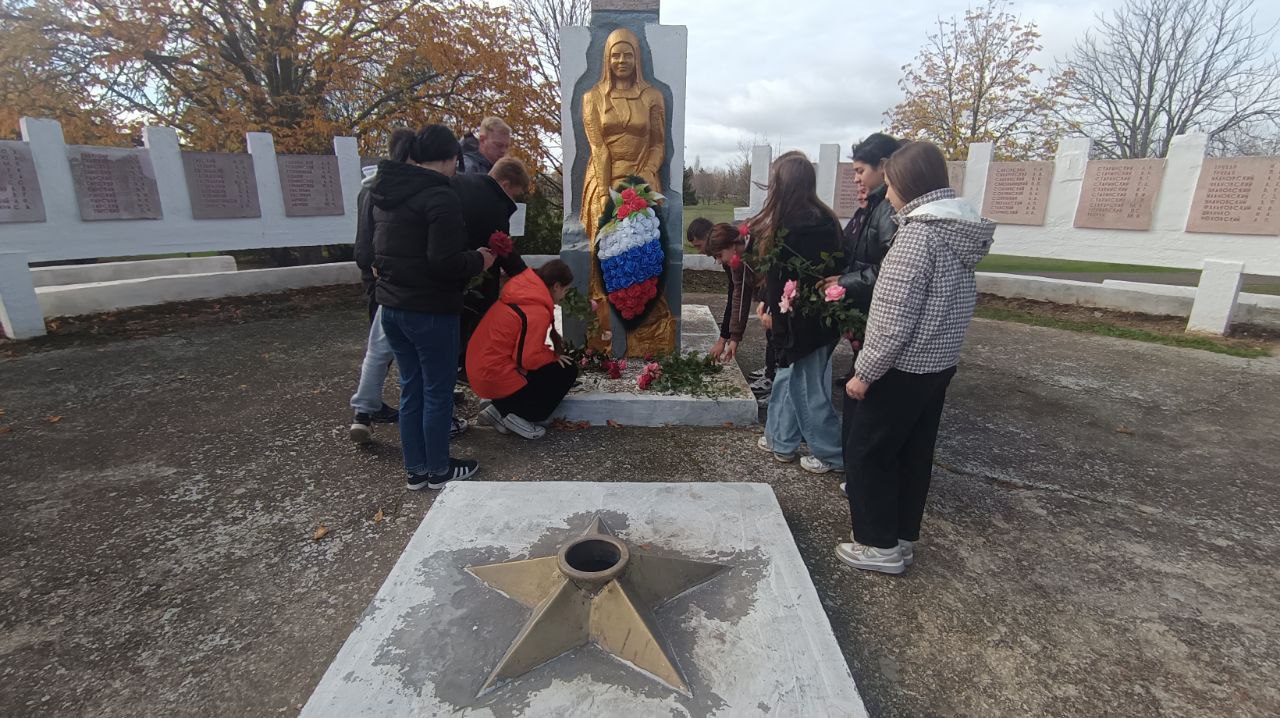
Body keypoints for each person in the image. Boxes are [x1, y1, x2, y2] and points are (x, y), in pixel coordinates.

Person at [837, 141, 994, 574]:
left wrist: (864, 374)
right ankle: (901, 537)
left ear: (906, 184)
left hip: (901, 368)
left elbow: (892, 319)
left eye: (889, 185)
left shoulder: (917, 236)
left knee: (868, 453)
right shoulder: (958, 233)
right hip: (938, 365)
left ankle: (877, 544)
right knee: (912, 454)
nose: (886, 195)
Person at [371, 124, 497, 490]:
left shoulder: (386, 190)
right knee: (437, 391)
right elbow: (444, 261)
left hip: (392, 308)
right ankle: (439, 468)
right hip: (429, 309)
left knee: (411, 388)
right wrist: (479, 260)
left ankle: (417, 470)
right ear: (451, 160)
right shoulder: (439, 196)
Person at [750, 151, 845, 475]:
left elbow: (782, 280)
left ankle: (834, 453)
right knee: (791, 379)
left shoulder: (789, 225)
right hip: (821, 316)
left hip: (800, 320)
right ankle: (781, 439)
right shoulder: (826, 218)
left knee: (808, 391)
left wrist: (775, 319)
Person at [820, 133, 901, 493]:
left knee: (870, 400)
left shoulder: (888, 211)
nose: (856, 178)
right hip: (861, 309)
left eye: (860, 170)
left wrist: (847, 280)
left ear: (884, 167)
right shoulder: (873, 206)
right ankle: (858, 471)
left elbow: (888, 268)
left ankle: (864, 477)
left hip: (875, 313)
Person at [468, 260, 579, 439]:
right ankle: (521, 416)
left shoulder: (523, 295)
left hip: (481, 370)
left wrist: (549, 356)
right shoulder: (536, 310)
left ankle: (499, 410)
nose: (564, 296)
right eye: (565, 291)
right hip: (492, 375)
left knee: (548, 366)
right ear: (557, 286)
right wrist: (552, 357)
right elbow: (528, 359)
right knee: (566, 370)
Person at [455, 157, 533, 379]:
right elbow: (504, 250)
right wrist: (529, 281)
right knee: (476, 319)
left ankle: (460, 367)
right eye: (515, 194)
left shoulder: (464, 184)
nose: (513, 201)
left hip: (455, 267)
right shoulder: (494, 201)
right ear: (506, 185)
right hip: (476, 274)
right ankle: (468, 367)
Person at [347, 164, 399, 443]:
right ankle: (366, 411)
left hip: (375, 273)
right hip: (391, 278)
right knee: (399, 349)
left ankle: (364, 412)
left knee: (378, 349)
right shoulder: (392, 191)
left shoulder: (367, 189)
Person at [702, 223, 753, 364]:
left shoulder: (760, 247)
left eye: (719, 255)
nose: (720, 261)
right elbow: (739, 297)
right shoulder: (735, 263)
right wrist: (734, 339)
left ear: (732, 244)